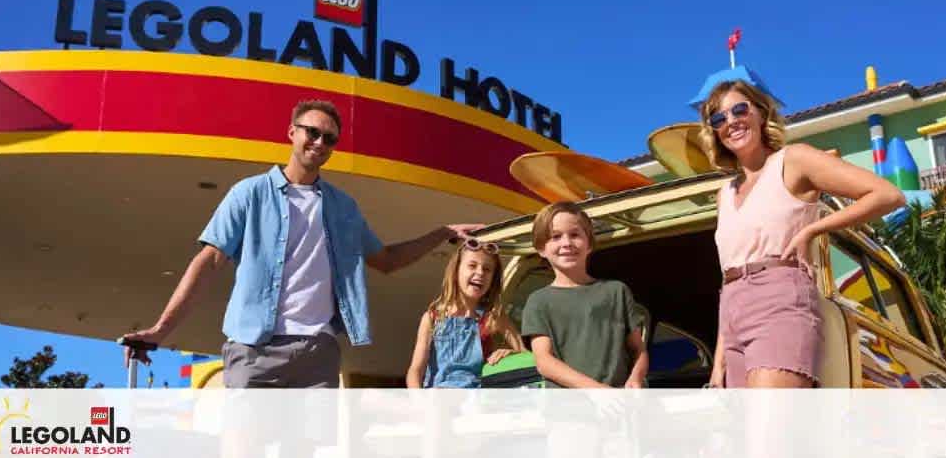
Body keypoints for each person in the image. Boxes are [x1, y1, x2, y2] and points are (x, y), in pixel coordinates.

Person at [121, 99, 481, 388]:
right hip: (254, 349)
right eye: (312, 132)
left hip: (317, 353)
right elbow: (209, 260)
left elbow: (386, 259)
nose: (320, 143)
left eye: (330, 139)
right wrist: (160, 329)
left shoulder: (343, 208)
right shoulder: (250, 193)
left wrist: (441, 231)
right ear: (292, 132)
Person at [699, 80, 904, 388]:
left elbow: (887, 194)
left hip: (779, 299)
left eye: (739, 109)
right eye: (719, 118)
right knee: (750, 435)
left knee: (769, 431)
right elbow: (727, 276)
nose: (731, 121)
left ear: (760, 112)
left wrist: (812, 229)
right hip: (731, 313)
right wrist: (718, 365)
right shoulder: (723, 194)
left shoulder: (793, 160)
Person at [521, 202, 649, 388]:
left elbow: (638, 349)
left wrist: (636, 377)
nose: (566, 243)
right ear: (542, 248)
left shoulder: (616, 291)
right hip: (570, 411)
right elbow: (544, 363)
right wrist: (597, 390)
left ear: (589, 244)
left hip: (620, 407)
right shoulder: (538, 301)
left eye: (574, 235)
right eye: (556, 237)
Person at [405, 238, 524, 388]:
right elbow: (416, 369)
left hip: (476, 402)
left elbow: (525, 354)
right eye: (472, 266)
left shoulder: (493, 316)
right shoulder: (433, 317)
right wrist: (418, 400)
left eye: (487, 269)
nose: (480, 273)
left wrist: (511, 354)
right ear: (456, 271)